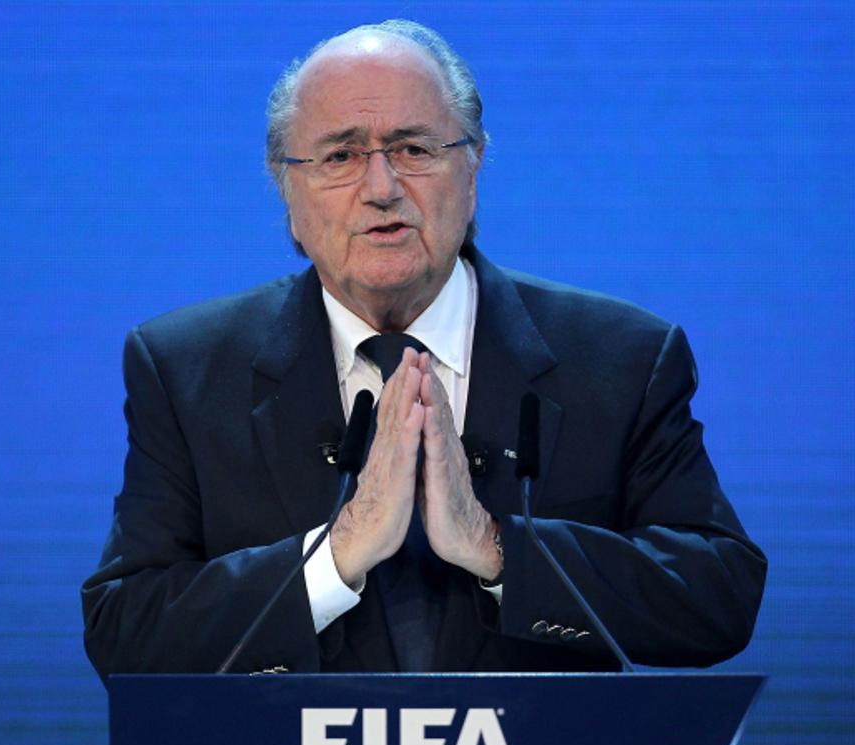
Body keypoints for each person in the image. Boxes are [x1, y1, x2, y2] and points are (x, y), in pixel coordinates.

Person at [82, 20, 766, 678]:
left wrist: (498, 547)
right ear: (286, 189)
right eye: (341, 155)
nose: (381, 188)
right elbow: (125, 630)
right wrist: (334, 556)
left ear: (473, 169)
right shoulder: (186, 369)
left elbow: (718, 595)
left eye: (414, 149)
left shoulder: (622, 360)